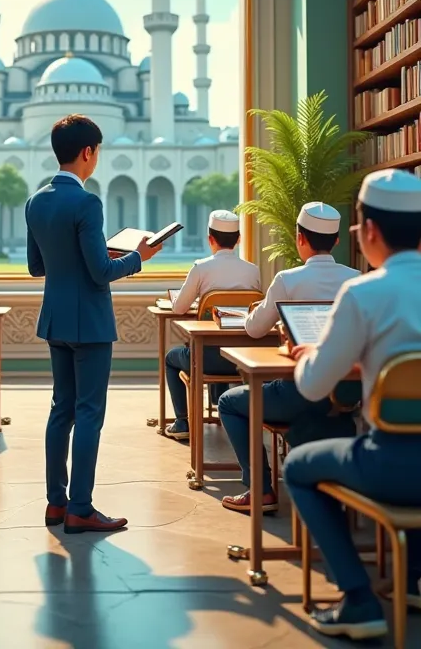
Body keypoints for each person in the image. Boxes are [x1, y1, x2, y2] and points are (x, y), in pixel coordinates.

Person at [284, 170, 421, 641]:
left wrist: (304, 358)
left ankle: (359, 600)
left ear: (368, 232)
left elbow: (313, 388)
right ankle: (414, 579)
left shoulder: (363, 294)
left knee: (298, 467)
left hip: (391, 463)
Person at [25, 114, 161, 534]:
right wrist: (139, 257)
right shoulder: (88, 202)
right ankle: (81, 506)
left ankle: (55, 502)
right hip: (91, 324)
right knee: (88, 413)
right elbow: (101, 273)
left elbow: (36, 267)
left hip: (56, 320)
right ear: (88, 152)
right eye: (97, 152)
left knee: (60, 409)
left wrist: (82, 252)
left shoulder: (36, 201)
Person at [218, 202, 360, 514]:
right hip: (347, 396)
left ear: (299, 238)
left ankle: (261, 489)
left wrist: (254, 313)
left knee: (229, 401)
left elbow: (255, 330)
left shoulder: (288, 279)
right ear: (336, 241)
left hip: (298, 392)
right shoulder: (358, 279)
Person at [164, 210, 261, 440]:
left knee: (171, 358)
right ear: (238, 239)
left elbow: (178, 308)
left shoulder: (201, 267)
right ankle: (220, 406)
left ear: (210, 239)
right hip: (241, 359)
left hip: (207, 360)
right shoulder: (252, 270)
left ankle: (182, 422)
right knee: (220, 337)